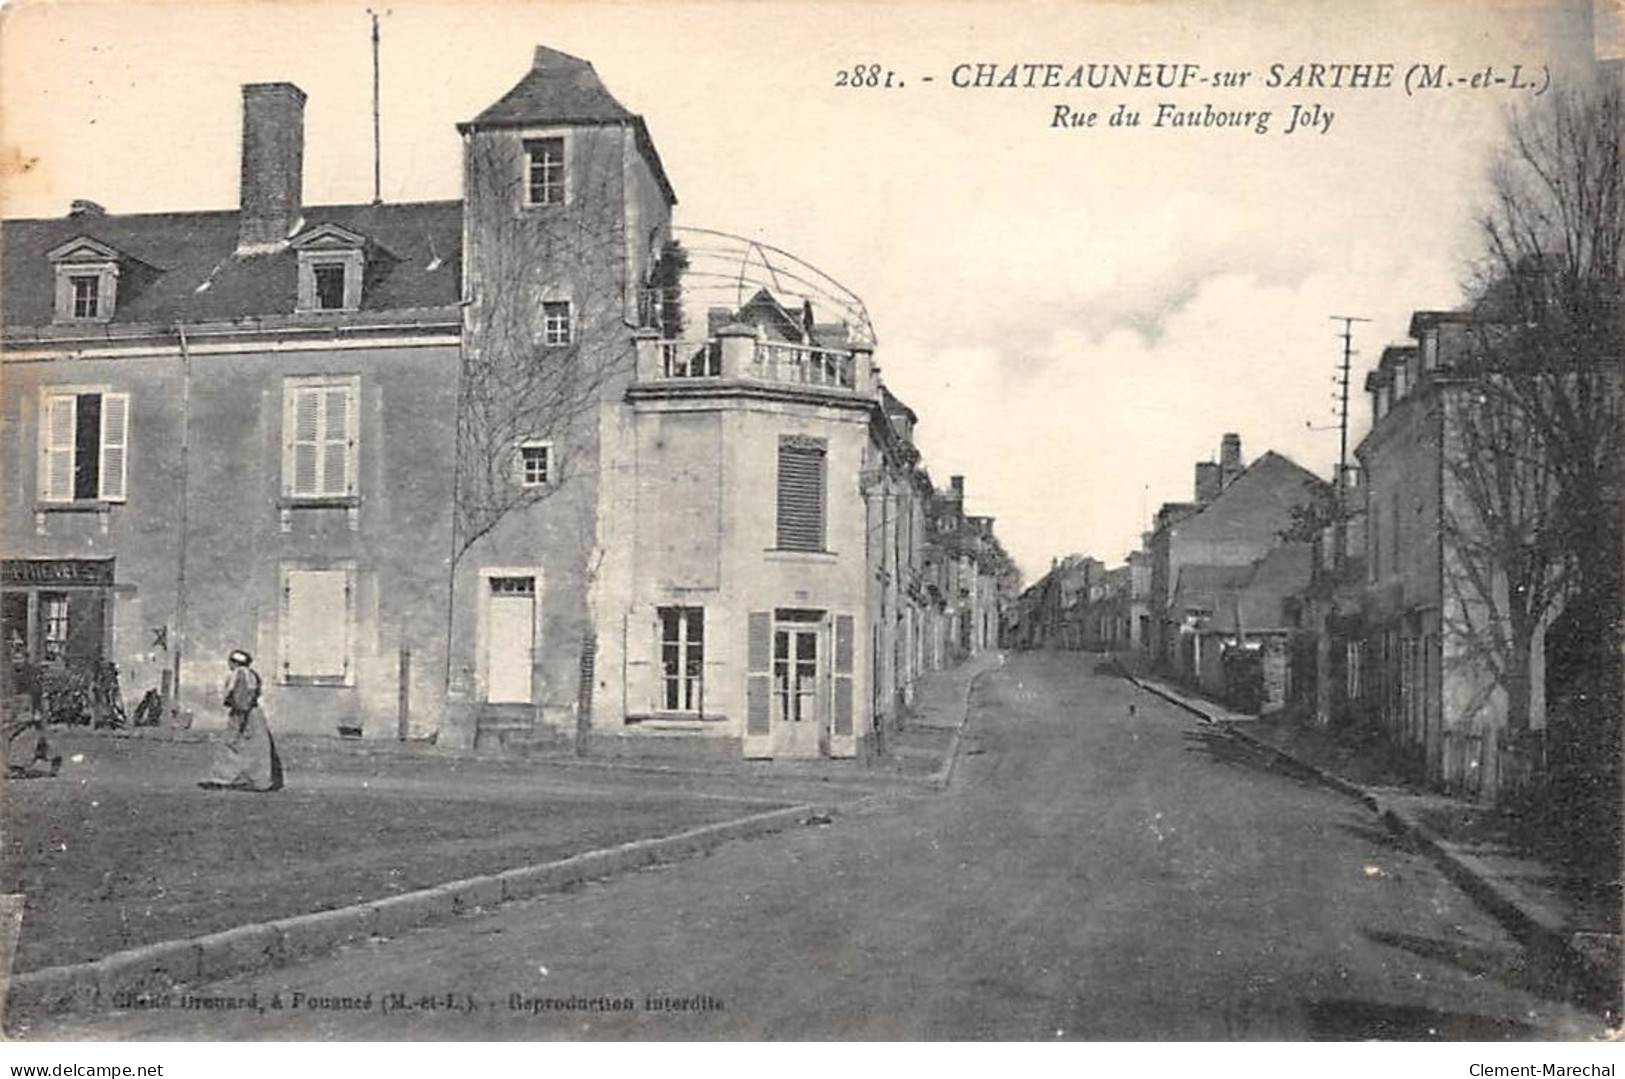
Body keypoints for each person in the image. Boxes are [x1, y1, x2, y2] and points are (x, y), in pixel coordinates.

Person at [199, 650, 283, 791]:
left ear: (235, 662)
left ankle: (225, 778)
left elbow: (242, 697)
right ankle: (259, 780)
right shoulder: (251, 674)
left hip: (243, 712)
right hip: (252, 712)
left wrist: (240, 717)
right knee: (256, 747)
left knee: (233, 744)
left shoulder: (240, 674)